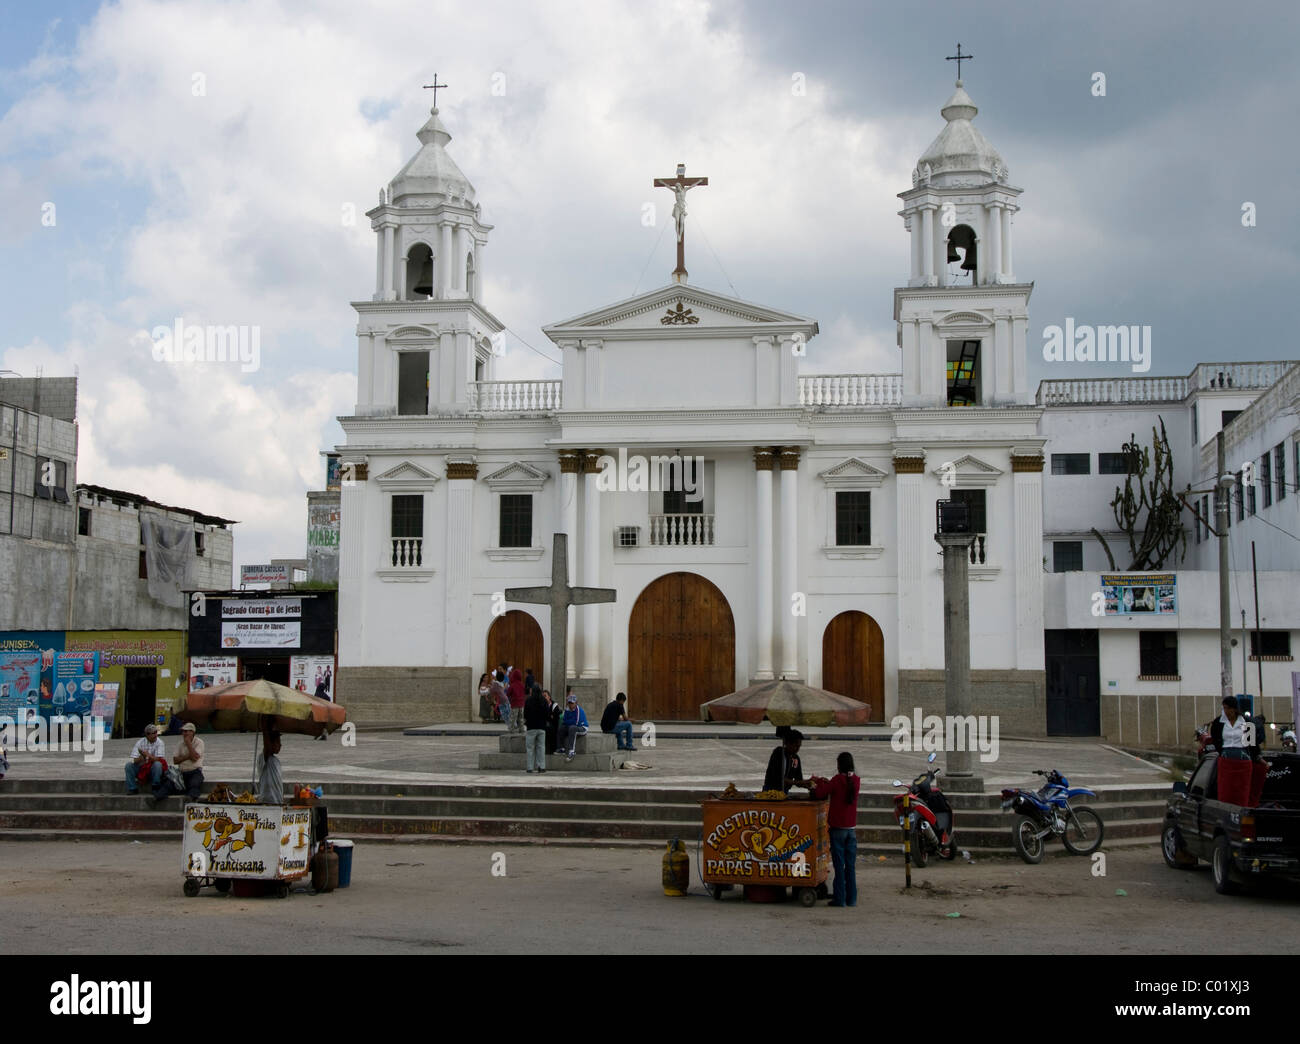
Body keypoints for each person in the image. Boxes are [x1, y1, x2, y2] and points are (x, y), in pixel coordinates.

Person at [809, 752, 861, 907]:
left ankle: (840, 899)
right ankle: (851, 899)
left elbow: (820, 792)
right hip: (851, 829)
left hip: (838, 829)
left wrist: (817, 781)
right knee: (850, 866)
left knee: (839, 866)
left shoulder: (837, 780)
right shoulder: (856, 781)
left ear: (839, 765)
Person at [1207, 696, 1263, 806]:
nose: (1226, 711)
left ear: (1235, 709)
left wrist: (1259, 758)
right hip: (1226, 761)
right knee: (1226, 791)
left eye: (1228, 708)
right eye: (1224, 708)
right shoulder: (1219, 722)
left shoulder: (1246, 722)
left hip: (1243, 762)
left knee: (1241, 792)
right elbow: (1216, 739)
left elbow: (1252, 744)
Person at [151, 722, 205, 805]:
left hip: (195, 771)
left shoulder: (199, 742)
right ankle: (157, 798)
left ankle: (190, 799)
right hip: (181, 772)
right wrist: (188, 756)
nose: (184, 734)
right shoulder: (180, 744)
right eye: (183, 731)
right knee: (169, 784)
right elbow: (175, 760)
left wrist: (188, 744)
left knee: (195, 783)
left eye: (186, 731)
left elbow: (194, 758)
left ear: (192, 732)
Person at [763, 728, 811, 794]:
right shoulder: (778, 753)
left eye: (799, 746)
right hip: (770, 792)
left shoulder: (796, 758)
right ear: (787, 743)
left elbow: (798, 780)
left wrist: (809, 784)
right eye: (795, 746)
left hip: (784, 792)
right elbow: (779, 779)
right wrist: (801, 782)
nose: (797, 749)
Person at [124, 723, 165, 795]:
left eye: (156, 732)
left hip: (153, 769)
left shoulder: (160, 742)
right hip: (142, 767)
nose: (155, 735)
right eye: (153, 733)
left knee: (158, 764)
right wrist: (143, 756)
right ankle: (132, 788)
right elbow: (135, 760)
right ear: (147, 735)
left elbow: (158, 759)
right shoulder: (140, 743)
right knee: (128, 766)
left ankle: (155, 787)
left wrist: (147, 755)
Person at [523, 684, 549, 773]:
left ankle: (530, 767)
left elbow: (525, 714)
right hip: (542, 727)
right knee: (541, 747)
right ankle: (541, 766)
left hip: (531, 727)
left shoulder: (528, 700)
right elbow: (547, 714)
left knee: (530, 748)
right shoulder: (544, 701)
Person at [257, 722, 283, 804]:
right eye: (277, 742)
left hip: (277, 801)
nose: (280, 745)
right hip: (267, 801)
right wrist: (265, 728)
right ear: (270, 743)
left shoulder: (276, 761)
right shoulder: (264, 758)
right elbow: (267, 747)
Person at [558, 692, 589, 761]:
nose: (570, 705)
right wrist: (568, 722)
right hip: (572, 726)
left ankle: (571, 751)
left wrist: (568, 722)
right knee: (561, 728)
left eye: (572, 703)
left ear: (576, 703)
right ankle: (561, 748)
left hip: (582, 727)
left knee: (572, 728)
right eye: (569, 703)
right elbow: (564, 720)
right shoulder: (567, 710)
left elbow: (576, 722)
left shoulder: (578, 710)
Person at [507, 668, 527, 734]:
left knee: (513, 718)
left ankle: (511, 731)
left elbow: (508, 693)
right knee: (521, 719)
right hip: (522, 704)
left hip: (514, 704)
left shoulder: (512, 685)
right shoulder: (522, 685)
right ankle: (522, 730)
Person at [543, 690, 560, 755]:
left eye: (545, 696)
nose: (544, 698)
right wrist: (550, 716)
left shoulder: (554, 705)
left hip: (554, 726)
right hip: (545, 724)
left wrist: (549, 716)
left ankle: (551, 750)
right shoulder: (542, 704)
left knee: (549, 729)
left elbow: (555, 718)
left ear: (549, 697)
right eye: (542, 696)